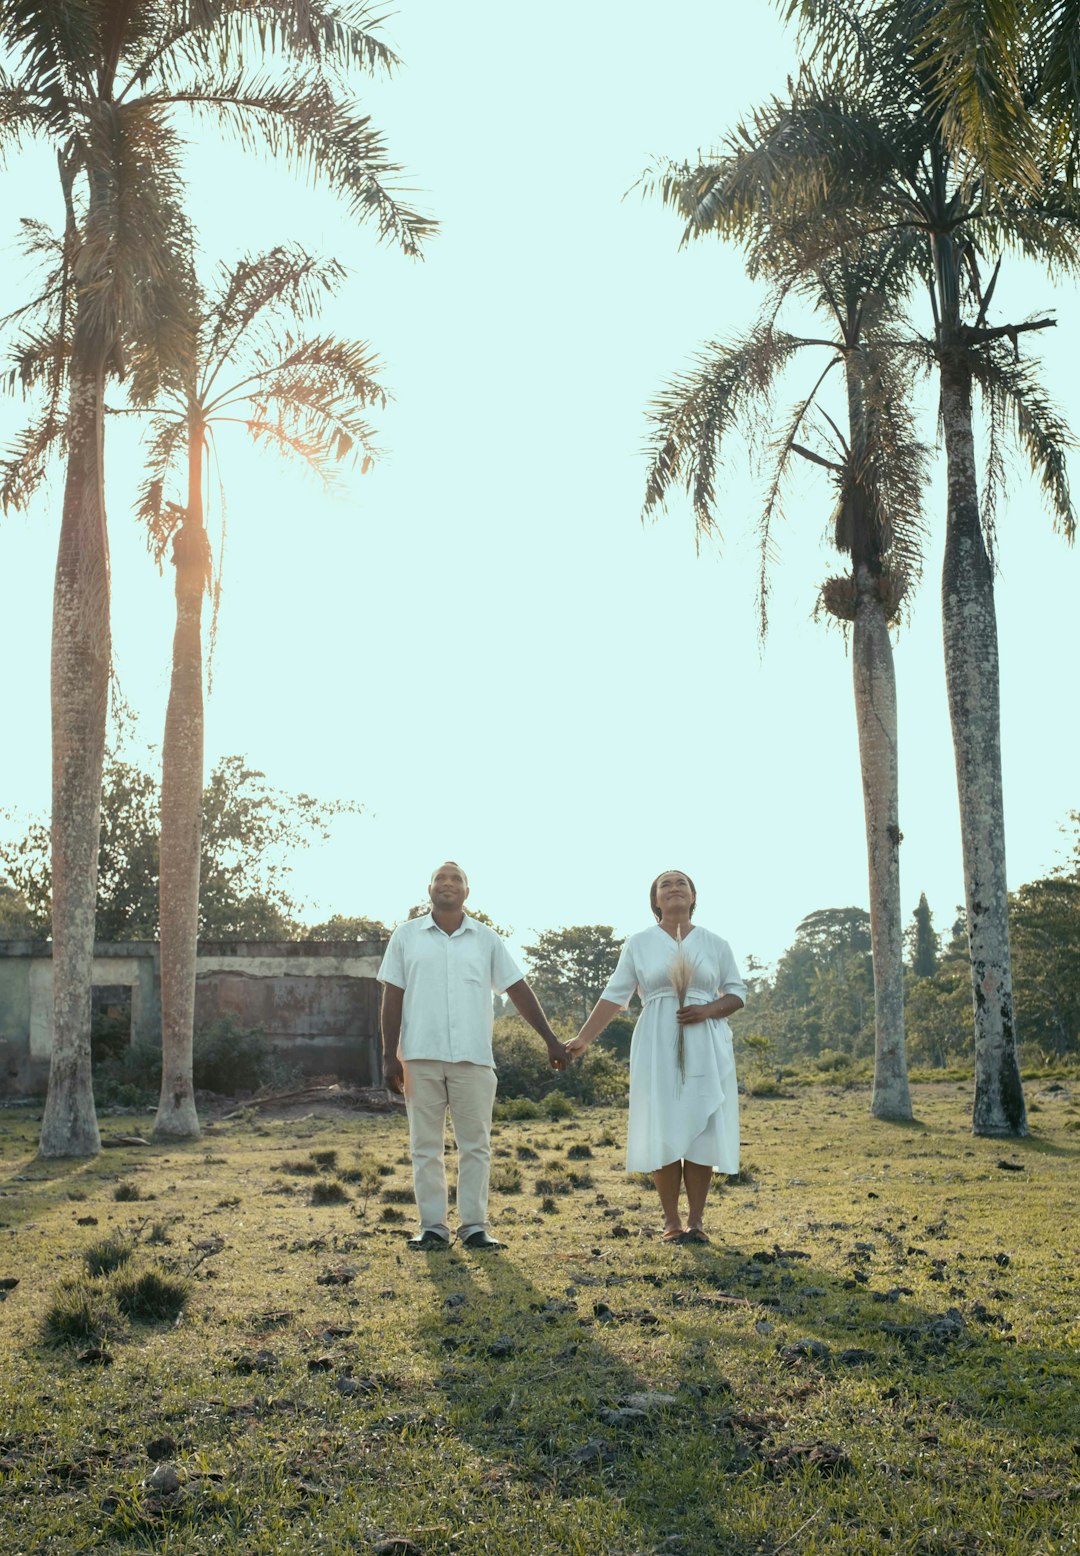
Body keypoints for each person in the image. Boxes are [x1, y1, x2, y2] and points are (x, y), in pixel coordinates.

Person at [379, 861, 568, 1251]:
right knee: (424, 1146)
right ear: (428, 889)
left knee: (475, 1146)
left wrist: (550, 1039)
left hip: (474, 1058)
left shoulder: (486, 939)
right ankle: (432, 1227)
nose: (448, 884)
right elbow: (392, 995)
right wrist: (388, 1056)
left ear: (467, 892)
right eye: (440, 879)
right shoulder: (406, 936)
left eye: (456, 880)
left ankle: (474, 1227)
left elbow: (517, 988)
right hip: (419, 1056)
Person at [566, 869, 745, 1243]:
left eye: (682, 883)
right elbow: (615, 996)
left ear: (693, 896)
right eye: (666, 884)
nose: (674, 888)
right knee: (663, 1124)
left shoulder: (715, 943)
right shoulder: (640, 943)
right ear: (655, 901)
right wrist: (584, 1038)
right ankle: (671, 1221)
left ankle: (696, 1221)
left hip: (705, 1041)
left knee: (701, 1127)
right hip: (656, 1041)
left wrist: (707, 1010)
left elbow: (736, 993)